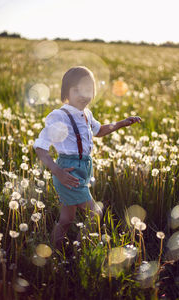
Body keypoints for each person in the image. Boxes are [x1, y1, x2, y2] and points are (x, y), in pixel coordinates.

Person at [33, 66, 141, 250]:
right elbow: (40, 147)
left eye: (88, 90)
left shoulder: (87, 114)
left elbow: (99, 131)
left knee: (67, 218)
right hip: (69, 171)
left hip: (83, 168)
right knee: (96, 213)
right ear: (66, 92)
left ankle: (54, 250)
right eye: (77, 90)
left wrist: (122, 123)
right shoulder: (60, 116)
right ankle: (82, 248)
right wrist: (57, 171)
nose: (83, 95)